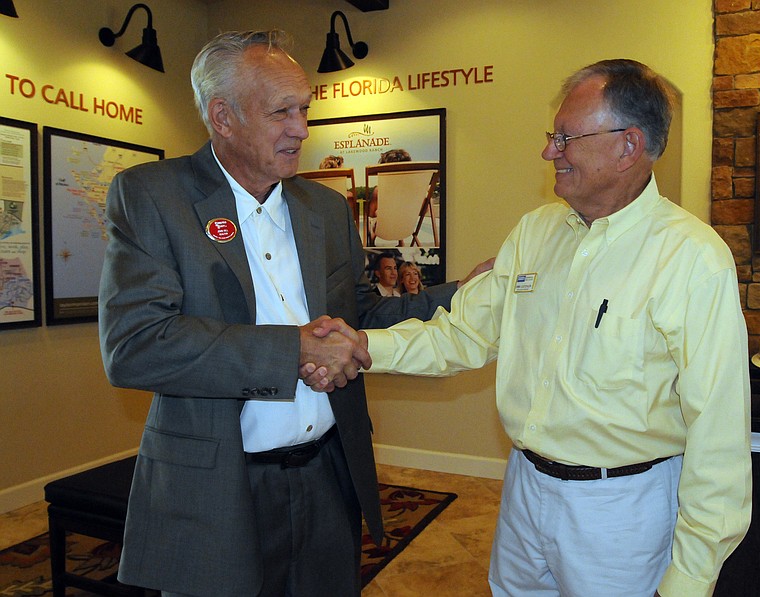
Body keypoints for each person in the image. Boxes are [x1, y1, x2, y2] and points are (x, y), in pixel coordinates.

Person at [308, 59, 752, 597]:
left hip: (620, 512)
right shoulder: (535, 232)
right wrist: (361, 345)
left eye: (565, 137)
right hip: (523, 487)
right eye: (552, 136)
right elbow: (461, 335)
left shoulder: (692, 258)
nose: (549, 152)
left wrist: (691, 576)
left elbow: (719, 429)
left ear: (628, 145)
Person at [98, 29, 488, 597]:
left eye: (304, 109)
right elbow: (136, 346)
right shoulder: (153, 196)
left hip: (328, 477)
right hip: (222, 490)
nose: (302, 129)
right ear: (223, 117)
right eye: (282, 112)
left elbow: (363, 315)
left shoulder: (323, 208)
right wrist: (294, 349)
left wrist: (460, 292)